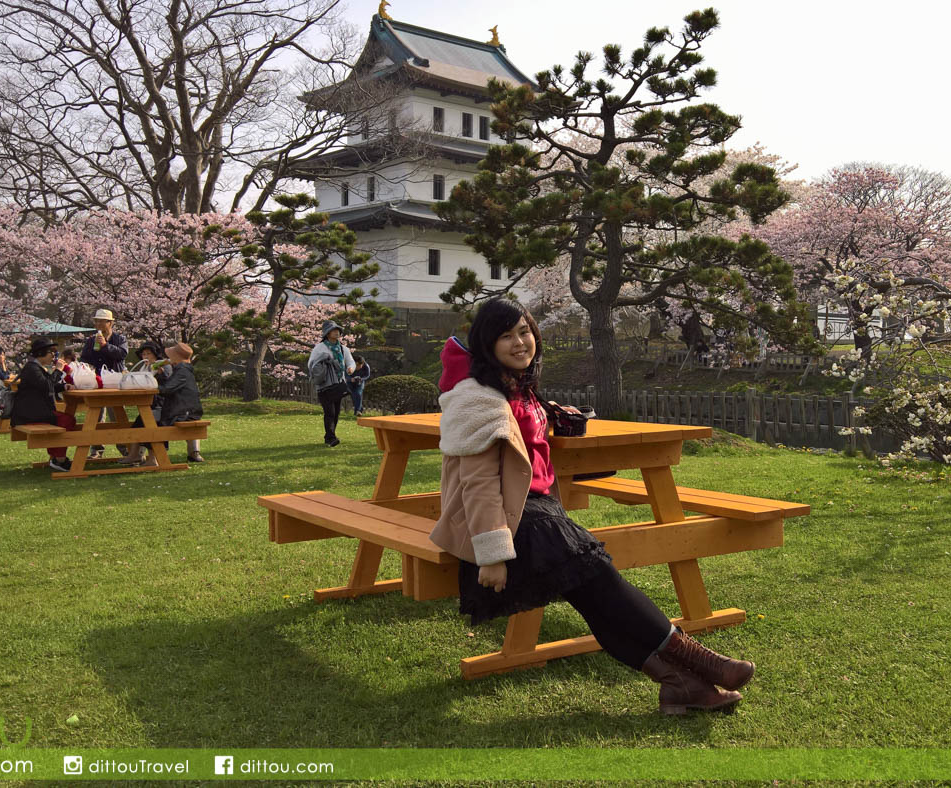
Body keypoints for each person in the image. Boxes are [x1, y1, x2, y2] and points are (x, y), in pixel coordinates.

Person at [433, 298, 752, 715]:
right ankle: (703, 662)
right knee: (601, 579)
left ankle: (681, 687)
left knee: (596, 599)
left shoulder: (517, 386)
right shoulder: (477, 398)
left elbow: (528, 458)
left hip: (537, 511)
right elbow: (478, 484)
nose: (519, 343)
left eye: (525, 331)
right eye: (506, 336)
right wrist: (493, 556)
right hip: (512, 523)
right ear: (486, 344)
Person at [9, 338, 78, 472]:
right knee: (67, 420)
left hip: (34, 410)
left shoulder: (36, 367)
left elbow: (46, 386)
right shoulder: (32, 369)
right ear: (40, 353)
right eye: (50, 352)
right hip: (30, 413)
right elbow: (46, 386)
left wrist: (63, 386)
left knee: (66, 420)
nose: (53, 355)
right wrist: (58, 370)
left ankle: (56, 457)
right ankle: (59, 459)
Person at [79, 308, 128, 458]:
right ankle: (96, 449)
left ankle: (125, 449)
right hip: (97, 382)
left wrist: (106, 346)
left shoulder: (120, 339)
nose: (98, 324)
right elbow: (85, 358)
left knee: (118, 416)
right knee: (96, 416)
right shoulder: (91, 340)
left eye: (102, 321)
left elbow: (122, 354)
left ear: (110, 323)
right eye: (96, 321)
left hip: (115, 382)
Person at [307, 319, 355, 447]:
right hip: (324, 385)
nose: (336, 333)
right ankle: (331, 437)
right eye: (333, 331)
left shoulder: (343, 349)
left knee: (336, 411)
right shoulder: (320, 348)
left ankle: (330, 436)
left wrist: (350, 368)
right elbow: (311, 364)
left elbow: (350, 362)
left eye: (338, 330)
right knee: (330, 411)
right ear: (327, 334)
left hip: (338, 384)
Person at [120, 341, 169, 465]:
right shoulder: (144, 366)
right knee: (137, 427)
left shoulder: (162, 365)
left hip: (160, 405)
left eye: (149, 353)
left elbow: (166, 385)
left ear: (155, 354)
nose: (146, 356)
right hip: (148, 404)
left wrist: (161, 373)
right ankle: (134, 455)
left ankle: (153, 459)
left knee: (151, 426)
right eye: (143, 354)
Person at [156, 342, 204, 464]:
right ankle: (139, 455)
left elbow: (167, 389)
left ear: (176, 357)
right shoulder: (183, 369)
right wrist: (161, 376)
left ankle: (151, 457)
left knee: (146, 421)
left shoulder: (182, 370)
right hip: (187, 410)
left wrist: (153, 386)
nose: (168, 358)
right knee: (147, 419)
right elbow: (171, 386)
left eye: (171, 356)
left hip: (183, 413)